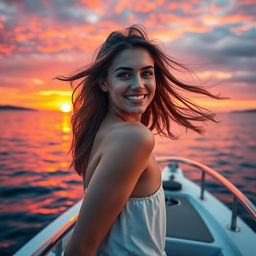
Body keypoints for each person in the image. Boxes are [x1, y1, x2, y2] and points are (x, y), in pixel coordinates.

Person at [58, 25, 221, 256]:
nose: (139, 84)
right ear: (104, 83)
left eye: (146, 73)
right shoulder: (134, 137)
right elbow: (80, 248)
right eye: (125, 74)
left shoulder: (100, 130)